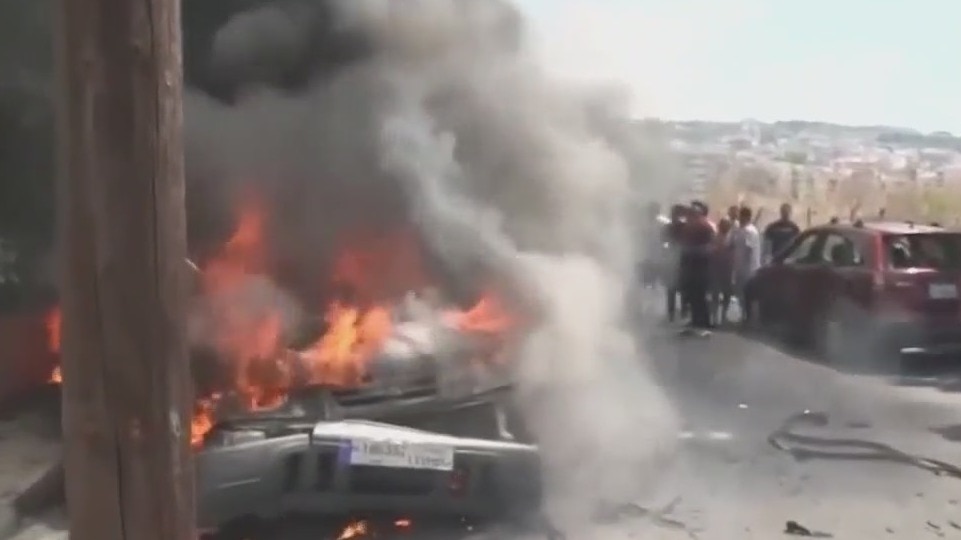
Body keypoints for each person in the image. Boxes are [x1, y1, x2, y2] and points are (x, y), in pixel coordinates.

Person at [680, 201, 715, 334]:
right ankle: (697, 320)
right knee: (695, 294)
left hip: (700, 265)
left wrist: (692, 251)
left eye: (691, 213)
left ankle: (703, 321)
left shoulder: (703, 226)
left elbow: (710, 245)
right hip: (694, 265)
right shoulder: (692, 226)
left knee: (699, 294)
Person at [731, 206, 761, 324]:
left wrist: (743, 267)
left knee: (747, 294)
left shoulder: (750, 231)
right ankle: (744, 316)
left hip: (748, 269)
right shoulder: (741, 230)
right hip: (741, 267)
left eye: (741, 216)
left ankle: (749, 318)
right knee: (741, 293)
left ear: (746, 217)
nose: (739, 218)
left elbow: (749, 249)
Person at [662, 204, 688, 323]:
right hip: (673, 259)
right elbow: (663, 241)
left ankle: (681, 311)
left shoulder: (683, 227)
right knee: (672, 287)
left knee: (680, 287)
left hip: (681, 259)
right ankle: (673, 312)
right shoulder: (670, 227)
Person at [710, 217, 734, 326]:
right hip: (716, 268)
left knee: (727, 293)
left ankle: (723, 316)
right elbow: (711, 251)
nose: (725, 227)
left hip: (727, 269)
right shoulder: (715, 237)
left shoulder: (731, 238)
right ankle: (714, 317)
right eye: (723, 225)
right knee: (715, 293)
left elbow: (734, 253)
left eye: (727, 225)